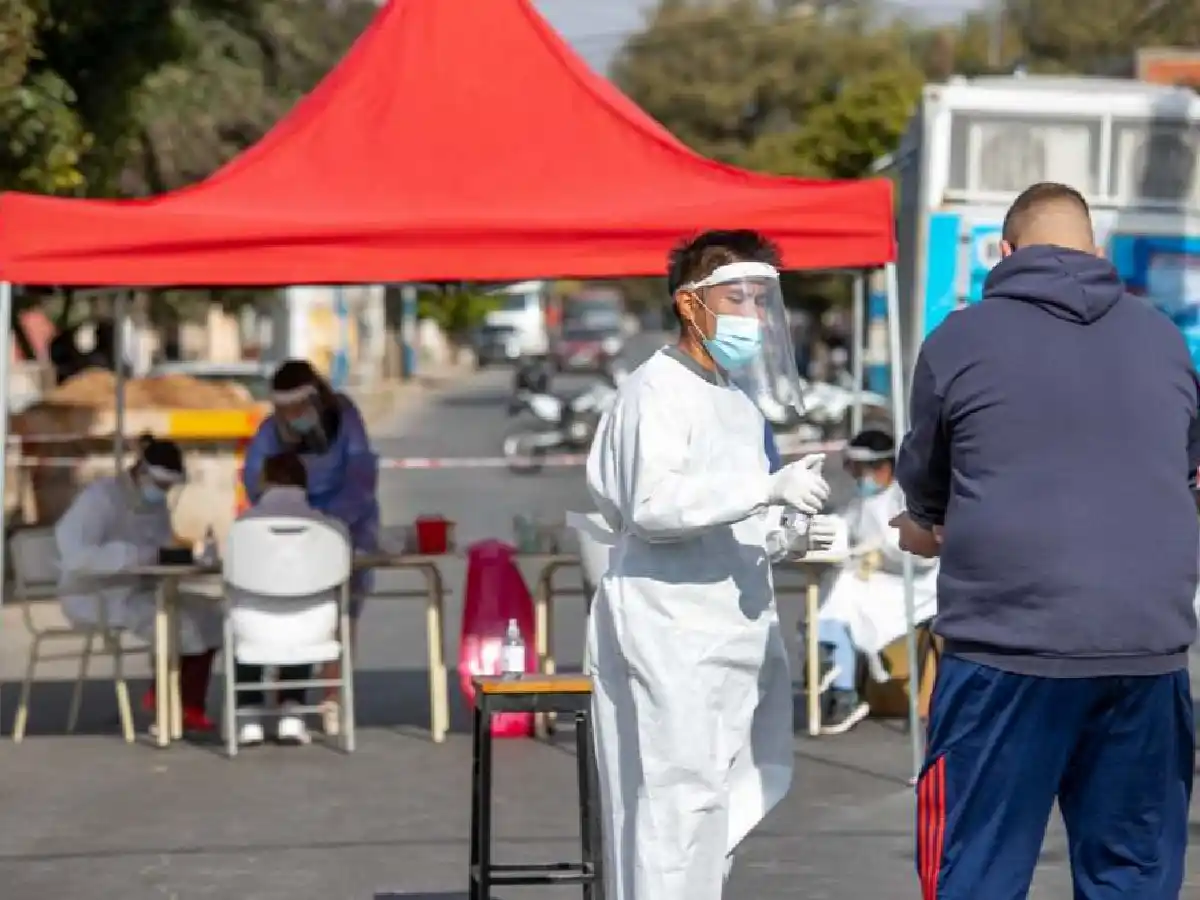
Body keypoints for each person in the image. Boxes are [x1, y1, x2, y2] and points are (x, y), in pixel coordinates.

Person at [894, 182, 1199, 900]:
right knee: (1132, 877)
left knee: (974, 870)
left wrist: (925, 523)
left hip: (1006, 647)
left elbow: (927, 482)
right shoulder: (1163, 339)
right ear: (1097, 250)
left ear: (1004, 252)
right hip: (1146, 649)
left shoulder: (960, 339)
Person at [585, 229, 839, 900]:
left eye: (760, 299)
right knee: (673, 807)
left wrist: (786, 531)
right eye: (736, 298)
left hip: (730, 629)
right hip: (669, 628)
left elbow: (735, 515)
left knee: (718, 807)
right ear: (689, 303)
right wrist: (765, 488)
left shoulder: (736, 400)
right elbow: (654, 506)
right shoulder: (656, 391)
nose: (751, 314)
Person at [242, 360, 379, 735]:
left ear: (317, 399)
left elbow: (361, 475)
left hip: (348, 524)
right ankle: (287, 697)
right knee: (291, 607)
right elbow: (255, 481)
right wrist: (288, 514)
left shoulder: (345, 418)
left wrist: (331, 521)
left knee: (342, 611)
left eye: (298, 408)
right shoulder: (270, 432)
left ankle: (331, 696)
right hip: (293, 528)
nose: (292, 417)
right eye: (284, 410)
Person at [55, 434, 223, 732]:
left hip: (141, 589)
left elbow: (160, 548)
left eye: (168, 487)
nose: (163, 492)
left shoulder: (155, 506)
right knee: (180, 625)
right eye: (160, 485)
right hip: (95, 594)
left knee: (212, 615)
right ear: (141, 472)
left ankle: (187, 704)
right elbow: (75, 555)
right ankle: (167, 706)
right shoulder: (100, 498)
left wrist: (188, 558)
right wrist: (132, 556)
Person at [816, 429, 937, 735]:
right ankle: (841, 683)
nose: (855, 476)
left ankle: (843, 686)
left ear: (882, 468)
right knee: (838, 588)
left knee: (843, 594)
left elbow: (925, 555)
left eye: (858, 469)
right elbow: (840, 527)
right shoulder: (860, 501)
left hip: (912, 587)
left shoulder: (906, 498)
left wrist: (882, 549)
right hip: (872, 582)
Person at [230, 451, 343, 746]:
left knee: (244, 618)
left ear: (264, 482)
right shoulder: (329, 529)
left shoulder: (242, 528)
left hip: (252, 627)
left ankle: (248, 717)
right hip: (313, 628)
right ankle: (292, 713)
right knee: (300, 608)